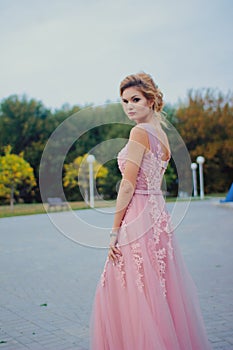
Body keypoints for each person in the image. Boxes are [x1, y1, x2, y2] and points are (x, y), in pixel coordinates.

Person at [90, 72, 212, 350]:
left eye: (135, 99)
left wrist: (113, 231)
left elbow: (128, 185)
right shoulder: (163, 137)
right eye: (124, 101)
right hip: (157, 218)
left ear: (151, 100)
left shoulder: (139, 132)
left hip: (137, 215)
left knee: (131, 288)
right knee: (158, 289)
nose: (129, 106)